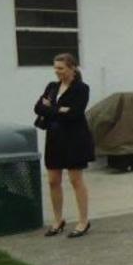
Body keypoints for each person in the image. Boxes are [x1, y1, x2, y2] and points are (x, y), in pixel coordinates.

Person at [34, 53, 95, 238]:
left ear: (72, 68)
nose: (57, 71)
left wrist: (50, 108)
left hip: (74, 139)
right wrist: (59, 109)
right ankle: (58, 220)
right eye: (55, 68)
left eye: (60, 68)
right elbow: (38, 108)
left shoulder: (81, 88)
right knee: (53, 181)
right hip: (54, 139)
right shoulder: (52, 87)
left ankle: (83, 221)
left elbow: (74, 114)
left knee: (76, 180)